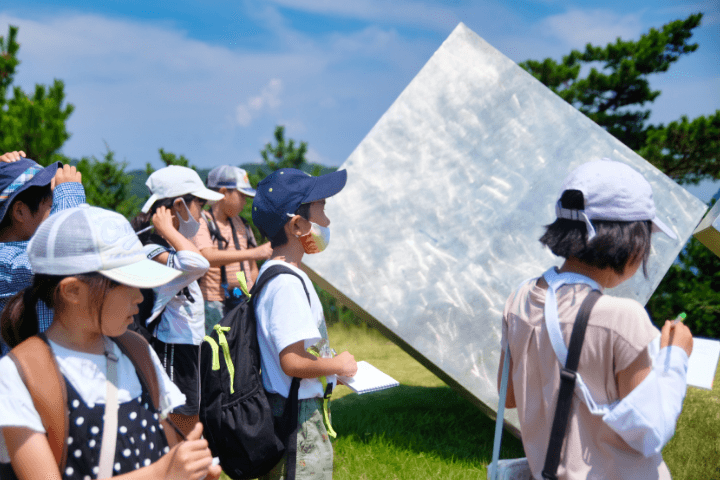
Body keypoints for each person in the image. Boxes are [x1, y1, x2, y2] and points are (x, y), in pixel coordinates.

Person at [498, 159, 694, 479]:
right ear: (629, 241)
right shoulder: (622, 317)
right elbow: (650, 430)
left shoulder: (520, 299)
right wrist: (675, 355)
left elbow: (509, 396)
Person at [0, 204, 221, 480]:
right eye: (126, 283)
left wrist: (195, 469)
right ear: (73, 291)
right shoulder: (18, 375)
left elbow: (168, 455)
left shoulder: (136, 350)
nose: (140, 297)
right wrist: (160, 474)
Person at [251, 168, 359, 480]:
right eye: (321, 209)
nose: (327, 220)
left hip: (289, 411)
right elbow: (292, 361)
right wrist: (335, 364)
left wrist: (329, 373)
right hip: (298, 422)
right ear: (297, 224)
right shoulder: (286, 284)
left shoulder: (275, 273)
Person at [132, 165, 222, 437]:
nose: (202, 214)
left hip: (188, 345)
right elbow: (199, 263)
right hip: (172, 346)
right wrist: (168, 229)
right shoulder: (152, 249)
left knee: (191, 420)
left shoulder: (171, 248)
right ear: (180, 205)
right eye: (200, 204)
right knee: (180, 425)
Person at [0, 153, 86, 357]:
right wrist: (69, 196)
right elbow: (62, 258)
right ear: (20, 212)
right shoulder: (6, 261)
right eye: (51, 206)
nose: (56, 214)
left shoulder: (35, 248)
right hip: (23, 384)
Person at [193, 165, 272, 335]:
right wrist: (255, 253)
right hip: (213, 303)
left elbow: (252, 268)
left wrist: (257, 295)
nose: (245, 201)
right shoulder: (202, 221)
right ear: (223, 192)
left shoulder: (242, 224)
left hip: (243, 301)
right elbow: (206, 256)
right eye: (241, 195)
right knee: (217, 354)